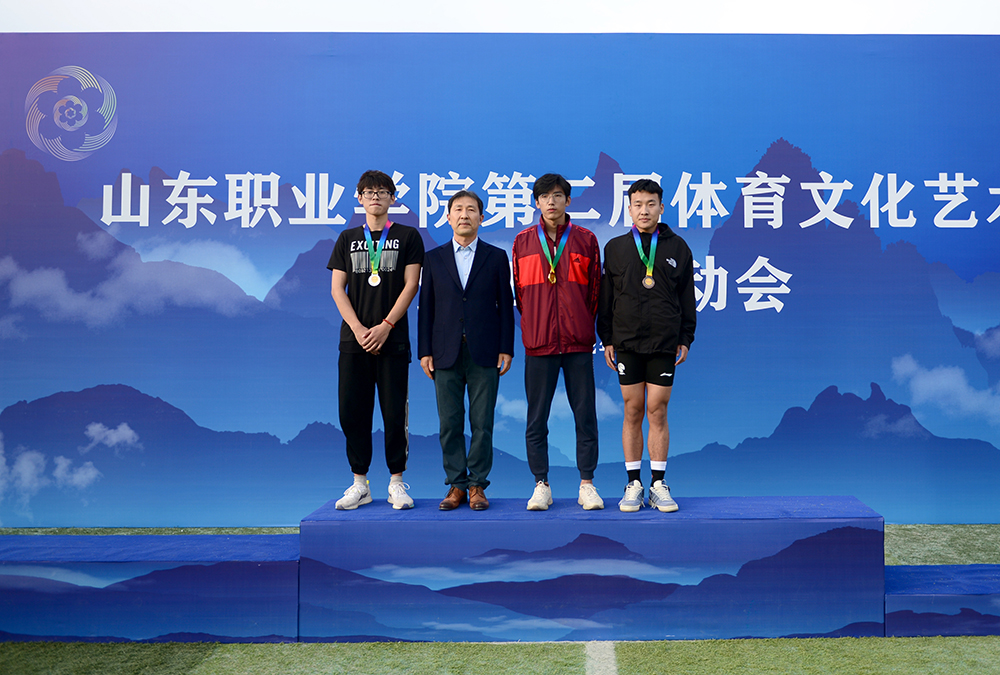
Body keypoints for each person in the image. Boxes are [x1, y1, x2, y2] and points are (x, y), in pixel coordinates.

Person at [597, 178, 696, 513]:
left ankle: (658, 484)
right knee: (632, 409)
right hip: (626, 341)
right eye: (638, 204)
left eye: (650, 204)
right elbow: (606, 298)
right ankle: (633, 484)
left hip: (663, 342)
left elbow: (687, 298)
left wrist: (685, 337)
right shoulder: (615, 248)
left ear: (661, 207)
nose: (644, 210)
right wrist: (607, 338)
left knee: (657, 409)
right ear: (629, 209)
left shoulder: (678, 247)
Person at [327, 170, 424, 510]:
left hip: (392, 341)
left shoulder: (408, 236)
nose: (375, 197)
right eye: (369, 192)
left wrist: (386, 325)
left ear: (392, 198)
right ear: (359, 198)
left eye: (382, 192)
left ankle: (396, 482)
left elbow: (411, 284)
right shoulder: (348, 238)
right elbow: (337, 289)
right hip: (354, 342)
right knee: (352, 412)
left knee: (394, 413)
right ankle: (360, 483)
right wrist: (357, 328)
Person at [512, 173, 604, 511]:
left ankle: (587, 484)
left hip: (577, 343)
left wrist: (579, 324)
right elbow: (521, 295)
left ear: (568, 200)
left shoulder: (586, 240)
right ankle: (541, 484)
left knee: (586, 416)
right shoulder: (522, 242)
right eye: (545, 196)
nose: (551, 202)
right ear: (537, 202)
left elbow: (595, 293)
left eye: (557, 195)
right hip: (539, 345)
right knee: (536, 419)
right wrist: (538, 326)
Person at [418, 190, 515, 511]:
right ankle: (456, 485)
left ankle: (477, 485)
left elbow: (506, 306)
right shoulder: (433, 258)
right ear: (448, 217)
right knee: (449, 422)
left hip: (484, 351)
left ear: (481, 218)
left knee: (482, 422)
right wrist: (425, 351)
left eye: (471, 210)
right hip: (443, 351)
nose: (464, 215)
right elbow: (426, 307)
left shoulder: (496, 256)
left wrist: (506, 347)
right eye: (458, 209)